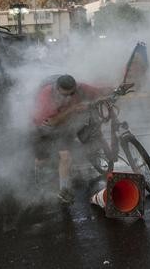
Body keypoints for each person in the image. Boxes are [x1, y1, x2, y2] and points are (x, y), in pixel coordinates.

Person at [32, 74, 115, 204]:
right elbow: (52, 122)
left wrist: (116, 90)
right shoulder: (46, 96)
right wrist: (73, 109)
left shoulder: (80, 88)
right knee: (42, 159)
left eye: (72, 94)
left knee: (65, 157)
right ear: (57, 89)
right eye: (65, 95)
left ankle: (64, 192)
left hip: (63, 126)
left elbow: (97, 91)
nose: (69, 97)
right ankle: (38, 178)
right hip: (44, 126)